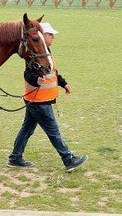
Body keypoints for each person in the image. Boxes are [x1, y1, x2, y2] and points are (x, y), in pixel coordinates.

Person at [7, 22, 88, 172]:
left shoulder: (45, 53)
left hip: (38, 100)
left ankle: (15, 157)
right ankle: (68, 160)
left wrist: (63, 83)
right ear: (42, 36)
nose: (53, 38)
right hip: (39, 101)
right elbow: (28, 74)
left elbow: (53, 72)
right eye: (50, 35)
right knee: (53, 131)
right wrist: (36, 80)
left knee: (27, 130)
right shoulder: (35, 56)